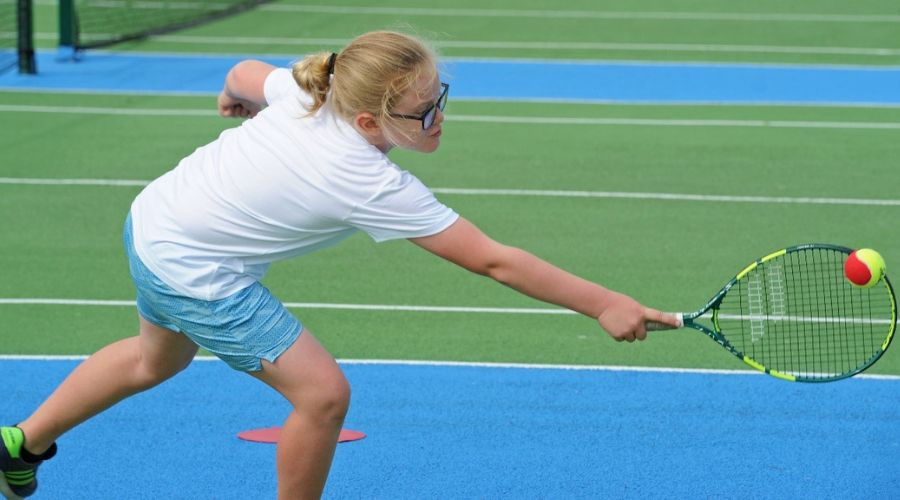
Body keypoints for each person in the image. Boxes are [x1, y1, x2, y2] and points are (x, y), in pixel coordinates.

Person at [0, 30, 680, 499]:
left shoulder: (311, 91)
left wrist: (239, 97)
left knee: (156, 362)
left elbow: (242, 73)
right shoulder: (365, 178)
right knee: (323, 396)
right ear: (368, 120)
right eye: (426, 110)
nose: (441, 116)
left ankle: (19, 447)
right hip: (195, 268)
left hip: (155, 221)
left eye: (442, 95)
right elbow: (494, 261)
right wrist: (602, 302)